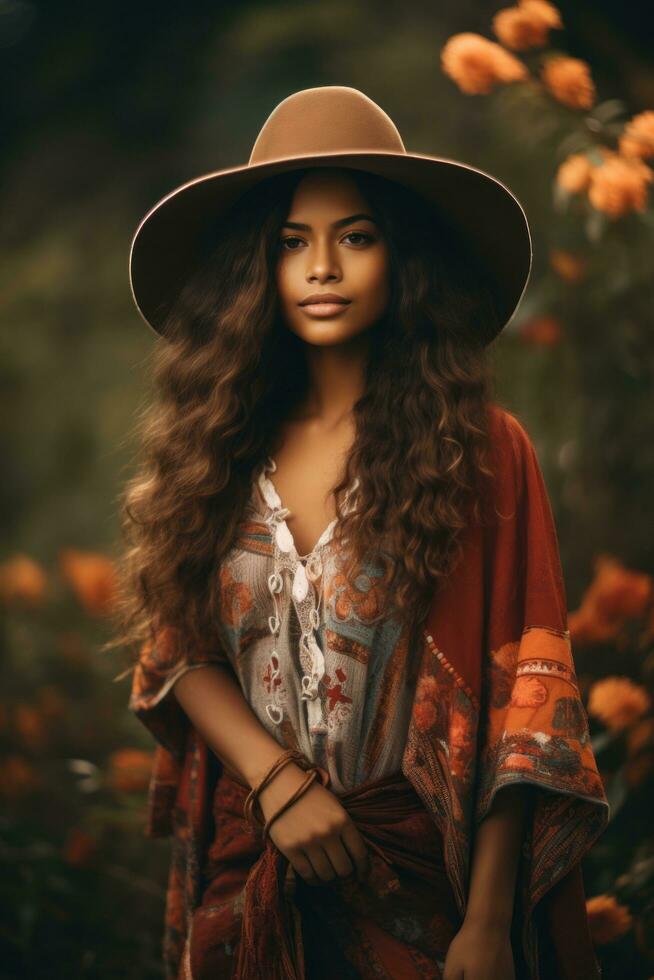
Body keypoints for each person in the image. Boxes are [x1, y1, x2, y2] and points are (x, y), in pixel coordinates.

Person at [111, 87, 609, 979]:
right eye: (291, 242)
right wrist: (274, 782)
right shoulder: (215, 443)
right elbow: (177, 648)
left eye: (357, 236)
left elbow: (526, 707)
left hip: (424, 890)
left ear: (402, 257)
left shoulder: (480, 450)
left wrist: (489, 924)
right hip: (250, 874)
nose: (322, 268)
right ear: (254, 268)